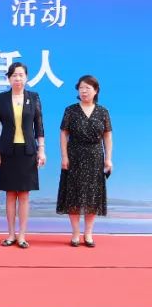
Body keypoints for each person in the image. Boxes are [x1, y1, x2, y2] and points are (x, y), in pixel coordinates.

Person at [0, 62, 46, 249]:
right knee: (10, 194)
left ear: (26, 78)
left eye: (21, 75)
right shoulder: (1, 99)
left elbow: (39, 126)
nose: (18, 78)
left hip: (28, 151)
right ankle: (11, 234)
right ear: (9, 78)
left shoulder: (33, 97)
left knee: (24, 194)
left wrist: (41, 149)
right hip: (7, 150)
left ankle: (22, 235)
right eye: (14, 75)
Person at [57, 75, 113, 248]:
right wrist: (64, 156)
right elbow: (63, 134)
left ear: (95, 91)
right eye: (81, 88)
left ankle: (88, 234)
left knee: (92, 196)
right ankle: (75, 233)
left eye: (87, 88)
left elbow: (107, 136)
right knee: (73, 195)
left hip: (95, 156)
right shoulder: (70, 110)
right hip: (74, 155)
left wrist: (108, 158)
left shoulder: (103, 111)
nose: (84, 91)